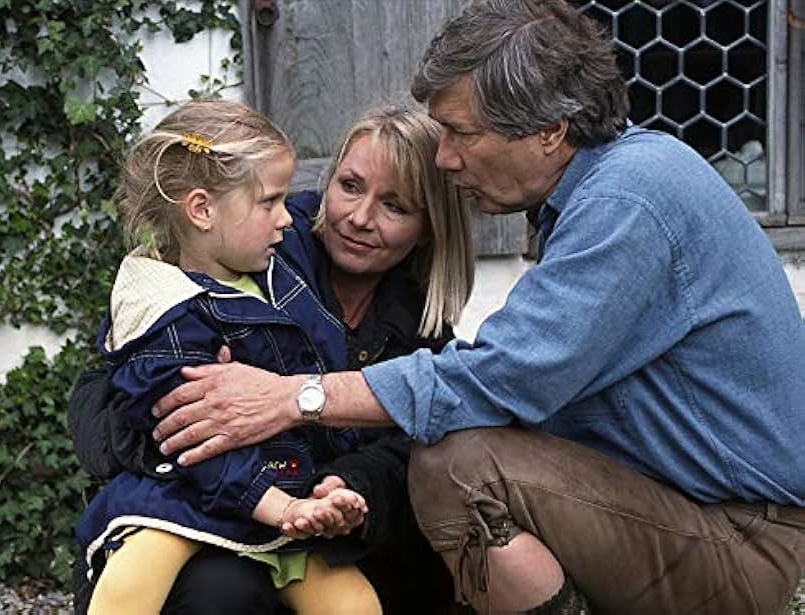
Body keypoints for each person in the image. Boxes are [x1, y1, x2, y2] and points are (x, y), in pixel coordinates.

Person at [148, 1, 805, 614]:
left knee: (456, 467)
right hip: (682, 508)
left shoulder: (627, 202)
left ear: (550, 131)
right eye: (348, 185)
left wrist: (295, 398)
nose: (446, 158)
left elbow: (503, 378)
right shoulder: (609, 189)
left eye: (462, 133)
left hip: (735, 536)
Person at [69, 105, 475, 614]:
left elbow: (409, 447)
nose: (360, 217)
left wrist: (345, 483)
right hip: (211, 500)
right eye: (349, 185)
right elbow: (105, 392)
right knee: (219, 591)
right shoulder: (257, 247)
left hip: (310, 522)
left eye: (394, 206)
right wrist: (182, 434)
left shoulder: (422, 328)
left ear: (429, 226)